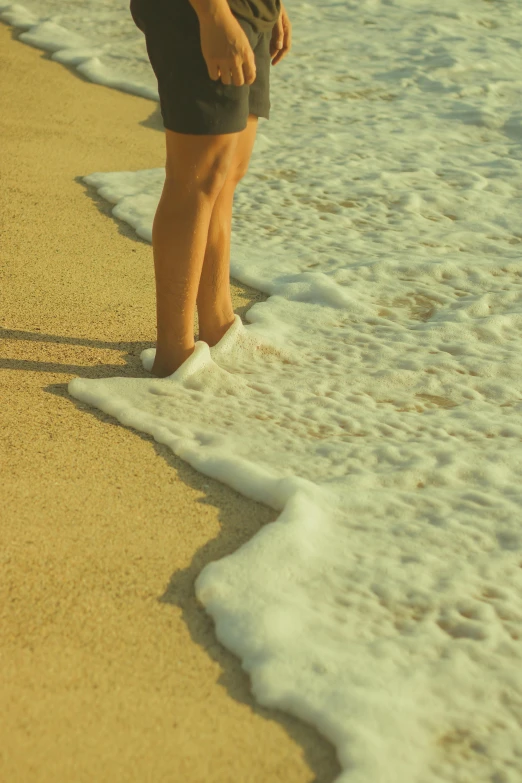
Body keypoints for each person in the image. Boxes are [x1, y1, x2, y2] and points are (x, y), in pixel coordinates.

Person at [129, 0, 292, 377]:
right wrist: (213, 14)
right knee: (196, 180)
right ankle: (175, 355)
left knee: (226, 173)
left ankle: (219, 326)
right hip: (201, 11)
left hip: (248, 10)